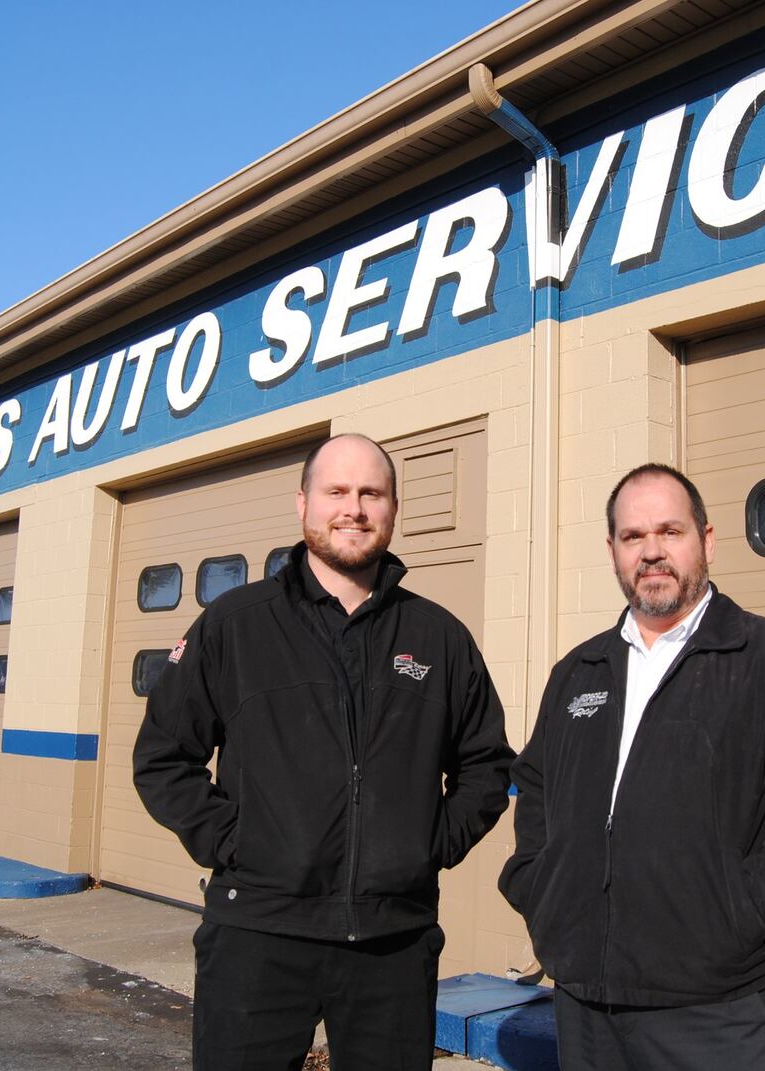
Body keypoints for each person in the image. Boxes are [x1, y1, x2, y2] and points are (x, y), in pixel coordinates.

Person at [135, 433, 513, 1071]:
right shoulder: (235, 625)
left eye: (372, 493)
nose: (354, 508)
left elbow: (487, 764)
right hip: (257, 935)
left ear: (392, 509)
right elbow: (163, 759)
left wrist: (429, 845)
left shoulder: (438, 637)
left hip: (393, 944)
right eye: (337, 491)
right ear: (303, 503)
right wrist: (237, 842)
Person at [499, 463, 765, 1070]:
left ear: (707, 541)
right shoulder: (578, 673)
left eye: (670, 532)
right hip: (588, 1007)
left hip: (722, 1009)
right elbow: (536, 792)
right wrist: (541, 893)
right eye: (633, 536)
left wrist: (741, 917)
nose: (652, 552)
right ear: (614, 552)